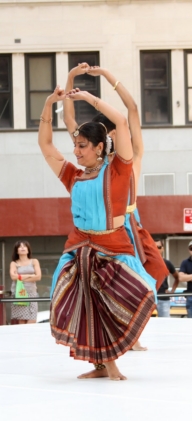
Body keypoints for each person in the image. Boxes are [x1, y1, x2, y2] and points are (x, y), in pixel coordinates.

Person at [38, 84, 157, 381]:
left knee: (115, 305)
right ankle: (102, 366)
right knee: (86, 308)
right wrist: (50, 102)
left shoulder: (118, 169)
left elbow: (120, 121)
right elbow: (45, 145)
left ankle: (112, 363)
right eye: (75, 146)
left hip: (112, 248)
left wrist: (88, 97)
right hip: (79, 249)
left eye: (81, 146)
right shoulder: (73, 175)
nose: (75, 152)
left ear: (99, 147)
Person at [63, 64, 169, 355]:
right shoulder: (98, 166)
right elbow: (70, 118)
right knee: (115, 283)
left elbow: (132, 109)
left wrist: (107, 76)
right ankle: (124, 337)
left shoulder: (130, 156)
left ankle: (129, 329)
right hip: (108, 226)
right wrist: (71, 79)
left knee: (154, 274)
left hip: (132, 221)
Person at [10, 241, 42, 324]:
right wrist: (31, 275)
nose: (23, 248)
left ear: (28, 250)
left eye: (25, 246)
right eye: (20, 247)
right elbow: (13, 277)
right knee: (22, 321)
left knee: (32, 320)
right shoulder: (14, 263)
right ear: (17, 251)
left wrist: (20, 277)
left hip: (32, 293)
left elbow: (38, 277)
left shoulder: (34, 261)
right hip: (19, 293)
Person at [154, 239, 179, 317]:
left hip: (163, 298)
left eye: (159, 247)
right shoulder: (145, 262)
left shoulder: (167, 263)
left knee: (164, 323)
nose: (156, 249)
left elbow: (177, 277)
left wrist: (172, 291)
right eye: (154, 247)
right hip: (149, 298)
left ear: (163, 248)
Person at [179, 240, 192, 318]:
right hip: (190, 296)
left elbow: (184, 277)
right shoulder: (185, 262)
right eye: (191, 248)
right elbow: (180, 277)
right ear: (188, 249)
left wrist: (188, 276)